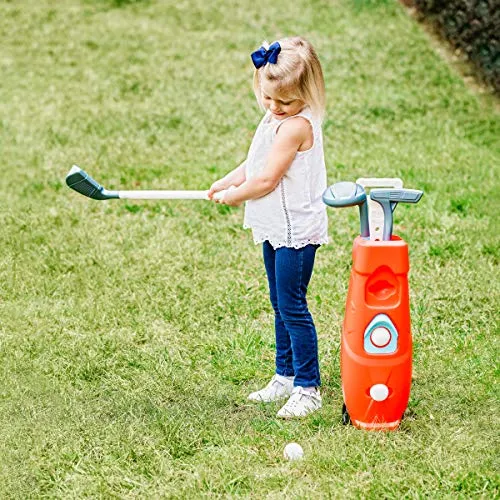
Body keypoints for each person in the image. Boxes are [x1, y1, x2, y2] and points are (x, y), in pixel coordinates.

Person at [208, 36, 328, 418]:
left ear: (306, 95)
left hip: (296, 230)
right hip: (274, 224)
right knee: (279, 304)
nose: (275, 108)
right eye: (268, 98)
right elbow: (256, 164)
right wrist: (228, 180)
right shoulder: (274, 116)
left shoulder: (296, 126)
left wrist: (237, 196)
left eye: (286, 102)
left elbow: (266, 181)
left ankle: (308, 387)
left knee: (293, 305)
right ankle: (285, 375)